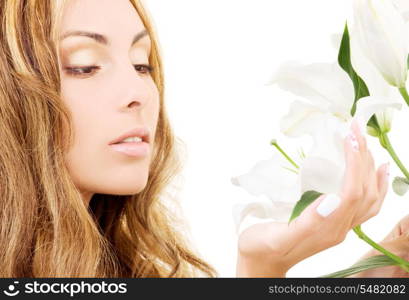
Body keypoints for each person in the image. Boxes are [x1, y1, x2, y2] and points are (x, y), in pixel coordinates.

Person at [0, 0, 405, 278]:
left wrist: (372, 275)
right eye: (85, 66)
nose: (139, 92)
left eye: (142, 64)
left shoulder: (134, 266)